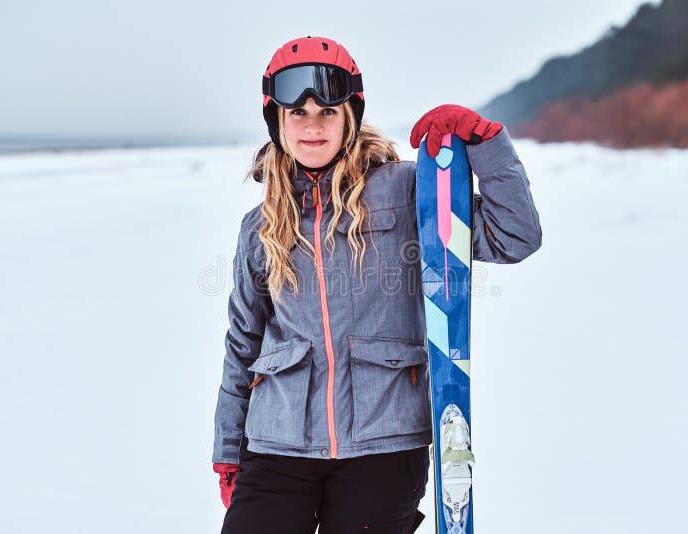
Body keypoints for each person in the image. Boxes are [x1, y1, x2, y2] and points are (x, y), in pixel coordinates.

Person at [212, 35, 542, 534]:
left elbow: (514, 236)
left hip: (385, 443)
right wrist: (228, 451)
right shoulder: (258, 227)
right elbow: (242, 344)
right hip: (276, 445)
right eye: (296, 113)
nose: (312, 125)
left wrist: (487, 147)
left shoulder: (408, 190)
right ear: (277, 122)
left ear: (351, 115)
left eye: (327, 110)